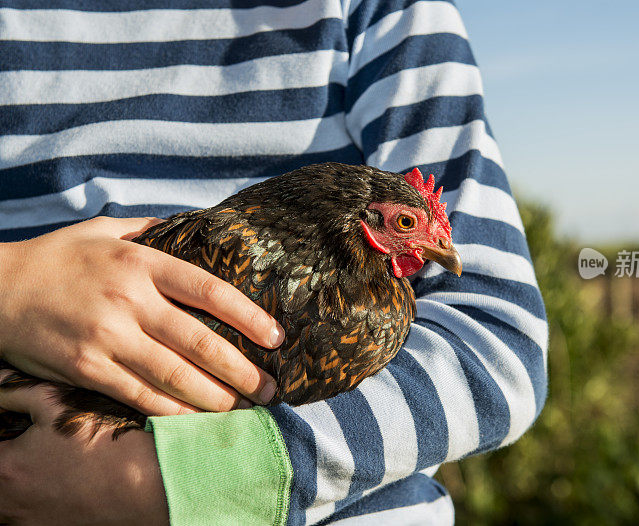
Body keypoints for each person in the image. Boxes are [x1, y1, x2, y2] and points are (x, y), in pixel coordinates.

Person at [0, 0, 548, 524]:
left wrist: (187, 480)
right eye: (406, 223)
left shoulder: (378, 10)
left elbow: (501, 346)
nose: (437, 248)